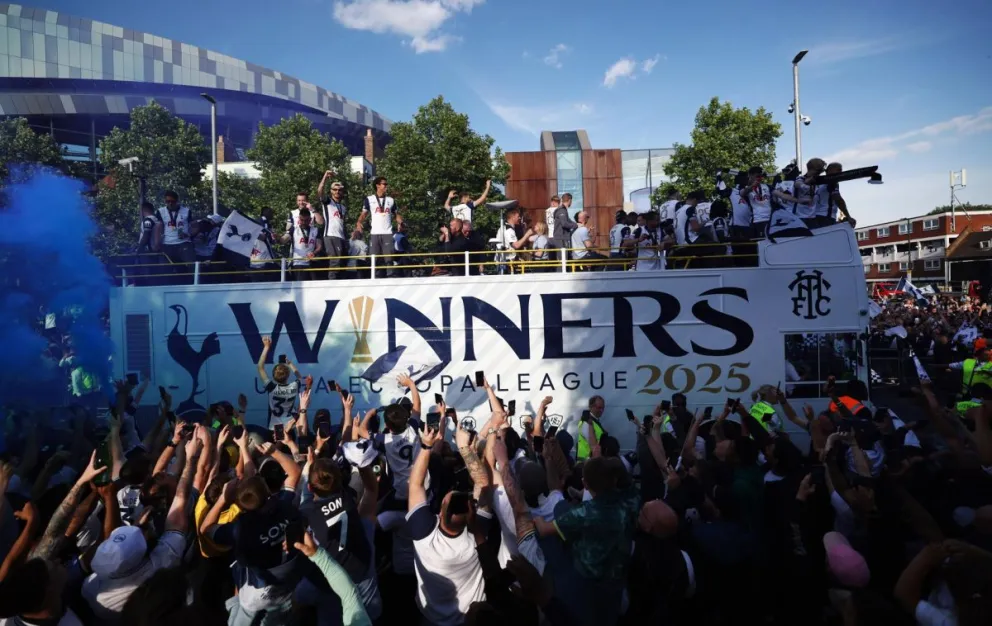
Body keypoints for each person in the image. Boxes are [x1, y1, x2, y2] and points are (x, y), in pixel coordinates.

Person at [357, 177, 401, 278]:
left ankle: (390, 278)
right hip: (375, 233)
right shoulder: (369, 199)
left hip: (387, 233)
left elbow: (396, 214)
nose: (386, 186)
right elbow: (364, 214)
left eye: (386, 184)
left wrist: (400, 222)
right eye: (384, 184)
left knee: (389, 258)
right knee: (374, 259)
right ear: (377, 185)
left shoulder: (391, 200)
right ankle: (375, 278)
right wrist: (359, 222)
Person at [256, 335, 302, 431]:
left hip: (274, 428)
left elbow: (260, 367)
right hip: (290, 426)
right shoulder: (294, 386)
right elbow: (300, 377)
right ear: (288, 375)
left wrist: (266, 347)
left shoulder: (271, 387)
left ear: (273, 376)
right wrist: (290, 364)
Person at [154, 190, 198, 281]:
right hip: (167, 244)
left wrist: (188, 234)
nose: (170, 204)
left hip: (184, 243)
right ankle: (167, 286)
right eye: (167, 201)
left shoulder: (186, 211)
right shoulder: (160, 211)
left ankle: (195, 284)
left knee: (191, 265)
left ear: (177, 201)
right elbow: (158, 227)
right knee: (164, 269)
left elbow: (196, 226)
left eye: (172, 201)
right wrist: (157, 242)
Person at [316, 171, 349, 280]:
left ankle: (339, 284)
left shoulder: (343, 207)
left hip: (341, 237)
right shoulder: (328, 202)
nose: (337, 192)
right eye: (334, 190)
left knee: (342, 262)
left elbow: (342, 224)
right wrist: (325, 176)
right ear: (331, 191)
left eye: (339, 190)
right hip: (330, 235)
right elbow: (319, 191)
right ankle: (332, 284)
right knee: (335, 261)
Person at [280, 207, 323, 281]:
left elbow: (319, 246)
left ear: (310, 220)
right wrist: (278, 238)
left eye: (306, 220)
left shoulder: (315, 230)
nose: (303, 222)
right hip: (298, 264)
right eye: (302, 220)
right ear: (299, 219)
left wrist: (314, 252)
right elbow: (283, 240)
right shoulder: (294, 229)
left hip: (311, 263)